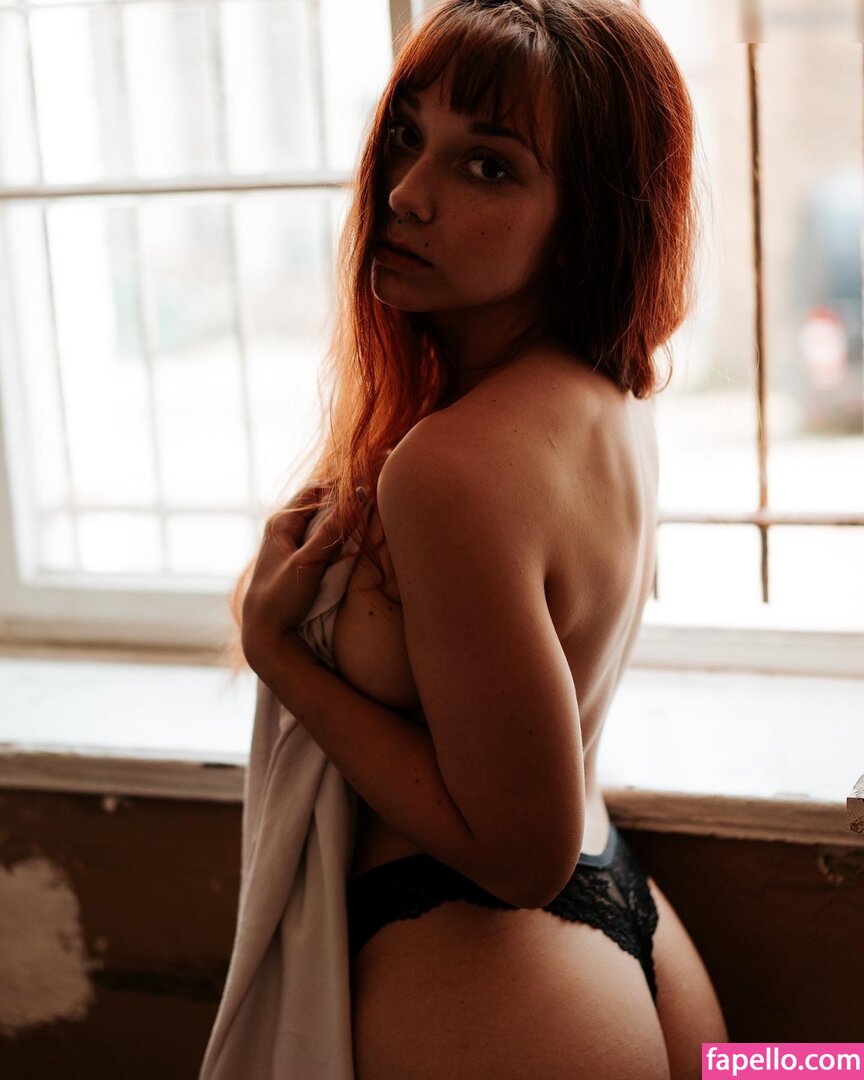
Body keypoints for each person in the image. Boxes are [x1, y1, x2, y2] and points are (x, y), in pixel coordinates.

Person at [219, 1, 730, 1077]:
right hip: (625, 931)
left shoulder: (450, 466)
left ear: (584, 222)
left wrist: (278, 656)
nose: (406, 194)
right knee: (821, 1066)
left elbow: (518, 859)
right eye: (408, 136)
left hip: (500, 974)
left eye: (488, 167)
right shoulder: (608, 396)